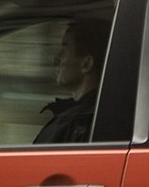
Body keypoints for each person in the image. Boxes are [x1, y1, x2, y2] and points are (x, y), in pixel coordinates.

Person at [33, 13, 109, 144]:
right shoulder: (91, 115)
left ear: (86, 64)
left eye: (65, 48)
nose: (56, 59)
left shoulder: (77, 122)